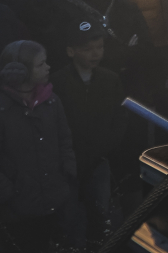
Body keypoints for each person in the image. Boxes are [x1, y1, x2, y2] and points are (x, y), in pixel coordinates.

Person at [0, 39, 85, 252]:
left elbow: (65, 141)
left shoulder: (52, 103)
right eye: (41, 64)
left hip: (57, 205)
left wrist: (67, 175)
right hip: (18, 217)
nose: (48, 67)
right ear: (20, 71)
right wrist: (11, 194)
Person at [50, 20, 126, 237]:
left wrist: (106, 148)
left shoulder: (110, 80)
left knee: (100, 212)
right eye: (87, 49)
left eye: (99, 47)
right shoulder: (57, 82)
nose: (95, 54)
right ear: (70, 51)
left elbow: (120, 118)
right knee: (69, 215)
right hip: (67, 162)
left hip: (99, 161)